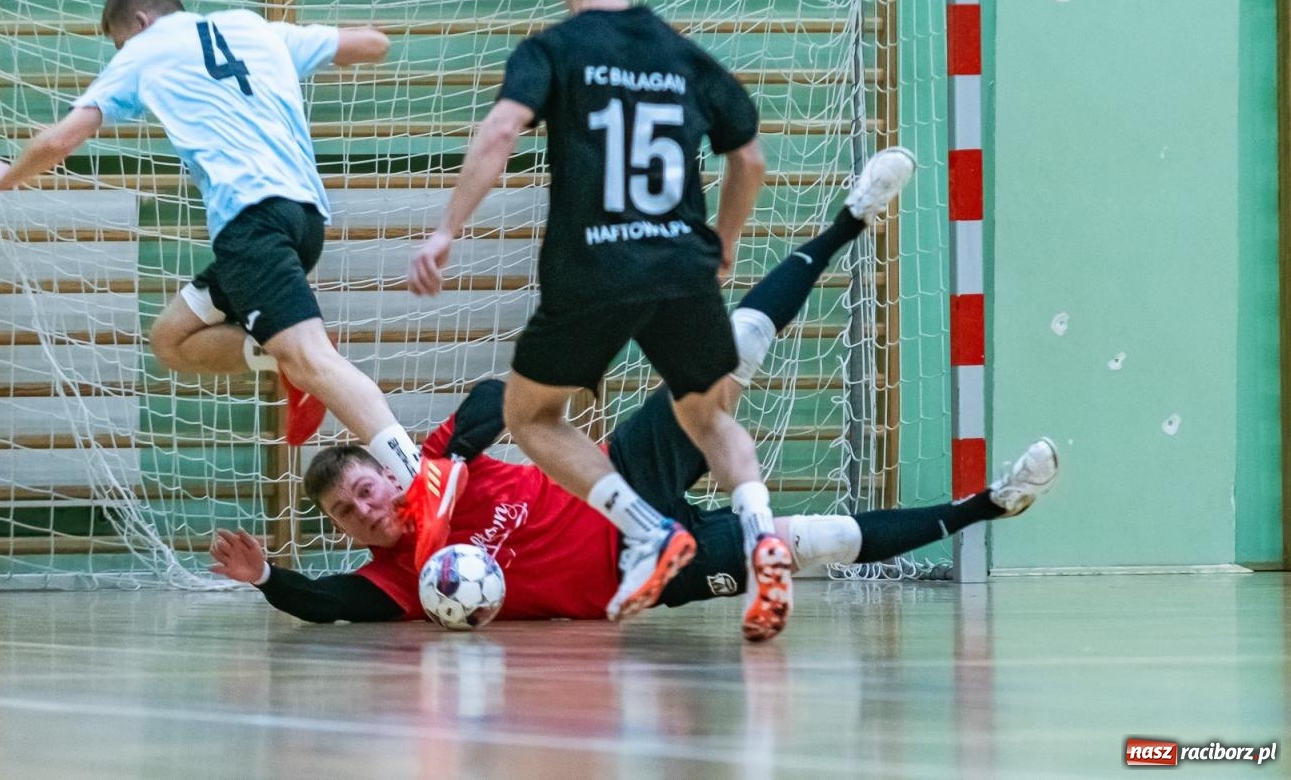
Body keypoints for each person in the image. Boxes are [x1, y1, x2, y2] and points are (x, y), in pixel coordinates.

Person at [215, 158, 1058, 625]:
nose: (365, 510)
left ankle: (850, 219)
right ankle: (990, 503)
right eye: (348, 514)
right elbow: (329, 603)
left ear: (382, 470)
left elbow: (493, 397)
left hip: (622, 472)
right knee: (820, 540)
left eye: (364, 489)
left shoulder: (429, 464)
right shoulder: (405, 579)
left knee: (732, 346)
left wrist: (450, 464)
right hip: (646, 566)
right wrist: (268, 578)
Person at [0, 0, 460, 545]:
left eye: (120, 44)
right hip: (304, 219)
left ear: (141, 22)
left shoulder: (146, 51)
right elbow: (370, 44)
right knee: (171, 339)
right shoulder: (254, 29)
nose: (122, 55)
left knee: (315, 362)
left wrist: (6, 176)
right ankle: (279, 359)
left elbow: (59, 140)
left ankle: (421, 477)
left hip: (250, 225)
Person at [406, 0, 772, 638]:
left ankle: (648, 530)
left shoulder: (554, 49)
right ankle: (762, 533)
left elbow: (502, 131)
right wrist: (723, 243)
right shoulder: (685, 56)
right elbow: (750, 159)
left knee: (530, 416)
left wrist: (447, 229)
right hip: (684, 265)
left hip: (596, 268)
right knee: (708, 416)